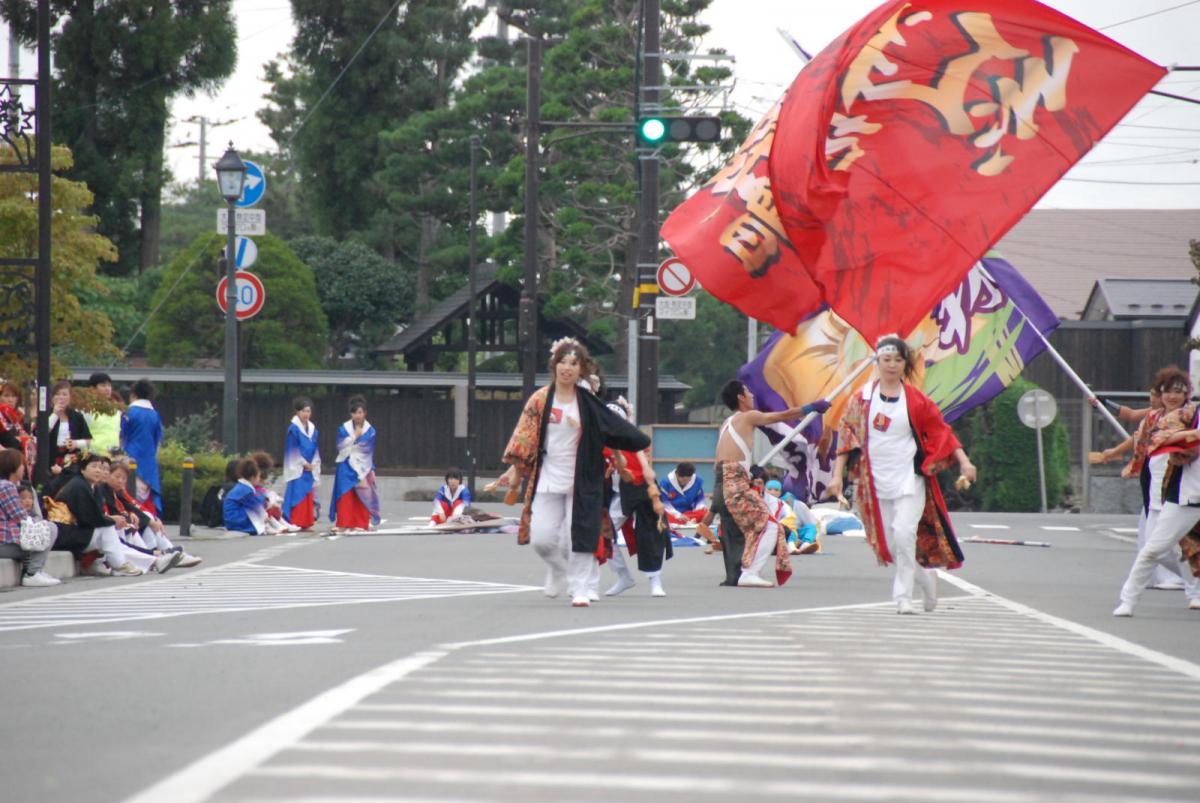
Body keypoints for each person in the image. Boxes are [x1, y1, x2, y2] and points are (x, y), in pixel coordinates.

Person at [487, 338, 651, 608]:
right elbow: (523, 438)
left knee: (580, 535)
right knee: (542, 538)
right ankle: (556, 569)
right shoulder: (540, 399)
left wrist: (587, 430)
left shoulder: (587, 402)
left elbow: (611, 429)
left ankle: (581, 589)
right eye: (562, 362)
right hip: (548, 477)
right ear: (554, 365)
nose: (567, 368)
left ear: (582, 369)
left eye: (573, 364)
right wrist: (515, 471)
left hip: (582, 480)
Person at [825, 335, 976, 614]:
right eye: (886, 359)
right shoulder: (862, 399)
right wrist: (836, 476)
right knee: (892, 545)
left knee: (905, 533)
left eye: (897, 360)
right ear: (877, 362)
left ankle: (903, 597)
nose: (892, 365)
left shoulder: (916, 400)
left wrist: (964, 462)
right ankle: (926, 577)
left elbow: (943, 432)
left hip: (909, 478)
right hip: (874, 483)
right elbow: (847, 438)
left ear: (905, 363)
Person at [715, 378, 828, 588]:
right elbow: (781, 416)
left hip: (724, 482)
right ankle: (749, 572)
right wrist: (811, 408)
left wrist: (750, 471)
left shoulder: (727, 423)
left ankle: (739, 573)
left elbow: (725, 460)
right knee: (770, 526)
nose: (752, 395)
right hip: (735, 483)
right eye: (748, 392)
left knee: (750, 528)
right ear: (740, 397)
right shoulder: (749, 416)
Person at [1112, 368, 1195, 592]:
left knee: (1181, 546)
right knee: (1153, 547)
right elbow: (1140, 444)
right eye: (1167, 391)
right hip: (1155, 485)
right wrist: (1132, 465)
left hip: (1181, 486)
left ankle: (1193, 591)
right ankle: (1193, 582)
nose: (1173, 396)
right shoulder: (1152, 417)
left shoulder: (1192, 416)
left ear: (1187, 393)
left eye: (1179, 391)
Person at [52, 453, 180, 576]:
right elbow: (90, 519)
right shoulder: (79, 486)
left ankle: (152, 561)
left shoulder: (91, 487)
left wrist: (112, 520)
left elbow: (96, 517)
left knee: (112, 540)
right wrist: (112, 521)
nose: (98, 471)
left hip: (79, 531)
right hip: (66, 534)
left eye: (101, 468)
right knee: (109, 532)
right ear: (82, 469)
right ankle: (146, 560)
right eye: (94, 467)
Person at [601, 398, 670, 598]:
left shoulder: (632, 440)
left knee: (650, 535)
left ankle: (655, 580)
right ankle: (623, 576)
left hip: (640, 488)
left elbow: (647, 470)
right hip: (615, 495)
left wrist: (655, 498)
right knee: (603, 532)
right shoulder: (598, 439)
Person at [104, 457, 201, 567]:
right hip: (110, 529)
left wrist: (152, 519)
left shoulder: (117, 492)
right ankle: (158, 555)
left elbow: (133, 506)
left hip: (120, 528)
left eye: (124, 478)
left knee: (146, 519)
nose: (120, 481)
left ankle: (164, 554)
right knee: (138, 524)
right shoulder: (101, 490)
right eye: (117, 477)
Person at [0, 448, 60, 587]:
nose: (24, 468)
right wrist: (39, 523)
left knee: (41, 529)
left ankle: (33, 571)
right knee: (49, 528)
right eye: (22, 464)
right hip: (4, 544)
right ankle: (33, 573)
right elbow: (19, 517)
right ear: (13, 466)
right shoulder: (6, 486)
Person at [330, 395, 381, 531]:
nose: (357, 416)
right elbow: (340, 446)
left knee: (362, 494)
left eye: (360, 412)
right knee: (345, 494)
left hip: (363, 466)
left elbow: (369, 452)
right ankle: (343, 523)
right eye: (355, 413)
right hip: (345, 465)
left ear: (365, 413)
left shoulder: (370, 430)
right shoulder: (343, 429)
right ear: (351, 414)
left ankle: (360, 523)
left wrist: (372, 469)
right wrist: (354, 437)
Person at [120, 378, 164, 517]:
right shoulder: (154, 415)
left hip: (130, 458)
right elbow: (158, 441)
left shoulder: (129, 413)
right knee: (147, 500)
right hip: (149, 462)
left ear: (133, 394)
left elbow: (121, 437)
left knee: (130, 498)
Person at [44, 380, 91, 492]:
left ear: (70, 397)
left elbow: (88, 440)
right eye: (58, 394)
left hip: (71, 458)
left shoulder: (77, 416)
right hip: (51, 457)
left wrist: (76, 443)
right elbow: (42, 433)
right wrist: (55, 414)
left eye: (65, 394)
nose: (61, 397)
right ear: (52, 397)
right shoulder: (46, 413)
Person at [282, 396, 321, 530]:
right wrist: (303, 463)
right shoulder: (293, 429)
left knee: (308, 494)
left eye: (308, 411)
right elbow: (292, 449)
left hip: (310, 466)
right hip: (298, 466)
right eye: (304, 411)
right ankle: (295, 521)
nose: (306, 414)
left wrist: (313, 464)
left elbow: (315, 448)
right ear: (297, 412)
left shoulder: (313, 430)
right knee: (298, 492)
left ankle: (307, 521)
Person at [223, 458, 269, 535]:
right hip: (237, 521)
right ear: (252, 477)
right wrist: (267, 500)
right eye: (258, 476)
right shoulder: (246, 490)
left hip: (232, 520)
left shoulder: (242, 487)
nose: (259, 479)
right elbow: (257, 506)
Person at [84, 372, 124, 455]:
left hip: (113, 457)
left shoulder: (116, 411)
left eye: (109, 385)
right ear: (92, 389)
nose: (107, 389)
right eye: (103, 385)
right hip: (93, 458)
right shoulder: (86, 410)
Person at [0, 382, 36, 472]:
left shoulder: (19, 416)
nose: (10, 400)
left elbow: (26, 436)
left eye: (13, 396)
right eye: (6, 396)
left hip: (19, 461)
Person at [658, 461, 707, 527]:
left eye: (688, 480)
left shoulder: (696, 481)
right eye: (684, 480)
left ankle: (686, 520)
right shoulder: (665, 483)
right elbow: (664, 503)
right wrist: (678, 515)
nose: (686, 482)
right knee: (662, 514)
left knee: (705, 512)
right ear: (677, 475)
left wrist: (699, 508)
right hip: (672, 513)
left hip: (689, 512)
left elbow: (700, 499)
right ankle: (687, 521)